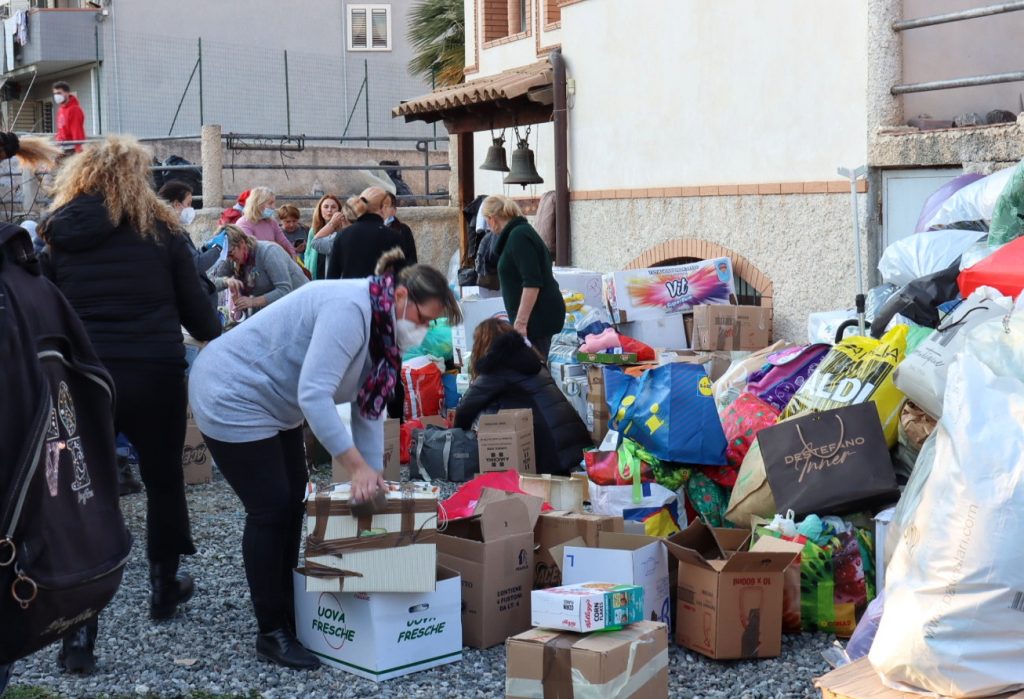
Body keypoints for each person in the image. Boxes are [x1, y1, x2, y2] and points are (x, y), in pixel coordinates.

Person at [188, 248, 461, 669]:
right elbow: (314, 395)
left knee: (294, 498)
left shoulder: (384, 334)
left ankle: (288, 609)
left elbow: (368, 410)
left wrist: (374, 477)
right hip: (231, 390)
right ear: (400, 296)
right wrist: (355, 467)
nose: (422, 331)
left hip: (274, 403)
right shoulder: (350, 310)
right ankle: (271, 631)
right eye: (423, 319)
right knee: (270, 507)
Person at [39, 135, 221, 672]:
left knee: (85, 495)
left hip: (84, 379)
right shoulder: (161, 231)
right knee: (164, 480)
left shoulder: (58, 234)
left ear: (81, 177)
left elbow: (44, 312)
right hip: (155, 373)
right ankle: (164, 587)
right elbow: (202, 321)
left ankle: (79, 634)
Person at [455, 319, 590, 475]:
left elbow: (466, 409)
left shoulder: (497, 367)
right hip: (572, 441)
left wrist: (457, 438)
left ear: (482, 344)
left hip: (551, 450)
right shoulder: (531, 360)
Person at [481, 195, 565, 359]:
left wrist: (521, 322)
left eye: (487, 221)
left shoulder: (518, 236)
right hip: (535, 318)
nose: (488, 227)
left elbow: (532, 282)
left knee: (535, 369)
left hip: (537, 319)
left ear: (492, 219)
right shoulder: (516, 234)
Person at [209, 224, 307, 314]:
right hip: (273, 307)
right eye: (224, 255)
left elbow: (284, 290)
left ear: (242, 243)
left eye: (230, 253)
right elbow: (208, 282)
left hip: (299, 302)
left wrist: (253, 302)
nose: (228, 259)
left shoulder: (269, 252)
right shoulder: (229, 257)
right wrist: (225, 281)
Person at [325, 187, 404, 280]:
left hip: (350, 288)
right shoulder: (393, 236)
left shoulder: (343, 235)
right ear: (383, 208)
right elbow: (402, 275)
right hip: (379, 289)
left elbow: (332, 277)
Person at [236, 186, 296, 257]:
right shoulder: (243, 223)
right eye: (270, 203)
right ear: (258, 204)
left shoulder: (271, 222)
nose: (273, 207)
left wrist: (293, 255)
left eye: (274, 203)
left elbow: (283, 241)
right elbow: (251, 248)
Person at [305, 194, 344, 280]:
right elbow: (308, 252)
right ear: (320, 210)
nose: (329, 210)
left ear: (339, 211)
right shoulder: (313, 230)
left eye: (333, 207)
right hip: (316, 272)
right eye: (326, 207)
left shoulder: (342, 230)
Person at [381, 191, 417, 264]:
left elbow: (412, 259)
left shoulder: (403, 230)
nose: (382, 210)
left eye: (386, 206)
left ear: (394, 210)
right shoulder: (369, 229)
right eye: (380, 206)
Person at [52, 81, 85, 154]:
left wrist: (78, 150)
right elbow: (61, 130)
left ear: (67, 93)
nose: (56, 96)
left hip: (71, 148)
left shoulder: (74, 110)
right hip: (61, 147)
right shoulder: (60, 109)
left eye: (59, 93)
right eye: (55, 93)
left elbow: (77, 130)